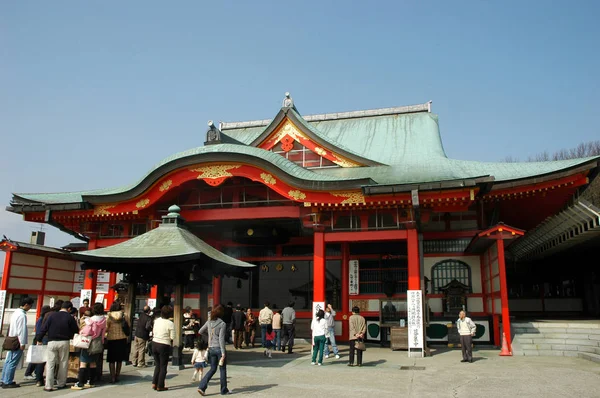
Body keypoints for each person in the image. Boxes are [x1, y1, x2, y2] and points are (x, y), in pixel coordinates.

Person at [36, 300, 79, 391]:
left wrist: (39, 339)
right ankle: (61, 383)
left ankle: (48, 385)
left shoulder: (52, 315)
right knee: (63, 362)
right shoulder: (70, 317)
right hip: (64, 341)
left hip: (51, 341)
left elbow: (44, 328)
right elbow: (76, 330)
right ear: (69, 308)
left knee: (50, 363)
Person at [71, 303, 106, 390]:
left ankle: (80, 383)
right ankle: (91, 381)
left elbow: (86, 332)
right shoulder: (104, 320)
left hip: (89, 343)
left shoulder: (90, 320)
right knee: (93, 363)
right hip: (98, 343)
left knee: (83, 363)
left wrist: (81, 332)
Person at [197, 304, 230, 396]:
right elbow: (221, 339)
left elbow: (200, 331)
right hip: (219, 348)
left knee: (212, 369)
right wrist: (223, 352)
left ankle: (202, 387)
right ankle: (224, 390)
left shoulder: (209, 322)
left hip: (211, 348)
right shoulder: (222, 323)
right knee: (222, 370)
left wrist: (210, 337)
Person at [1, 297, 33, 389]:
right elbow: (21, 330)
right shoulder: (22, 315)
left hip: (11, 338)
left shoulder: (15, 313)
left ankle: (3, 379)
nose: (30, 308)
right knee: (12, 362)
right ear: (26, 305)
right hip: (17, 340)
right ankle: (8, 381)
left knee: (8, 361)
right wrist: (22, 343)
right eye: (30, 306)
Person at [24, 305, 52, 387]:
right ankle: (29, 373)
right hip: (40, 339)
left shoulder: (42, 318)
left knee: (38, 358)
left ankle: (36, 373)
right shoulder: (41, 319)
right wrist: (39, 340)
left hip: (39, 339)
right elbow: (39, 331)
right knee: (38, 358)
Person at [152, 306, 175, 391]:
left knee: (157, 364)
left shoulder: (156, 321)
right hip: (164, 344)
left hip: (154, 343)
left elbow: (154, 331)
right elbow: (173, 336)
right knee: (163, 366)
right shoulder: (170, 323)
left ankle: (154, 382)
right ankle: (160, 385)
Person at [105, 301, 129, 383]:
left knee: (111, 360)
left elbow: (106, 328)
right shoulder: (124, 315)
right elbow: (128, 325)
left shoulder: (109, 317)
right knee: (119, 359)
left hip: (112, 339)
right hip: (122, 338)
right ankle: (117, 376)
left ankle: (112, 377)